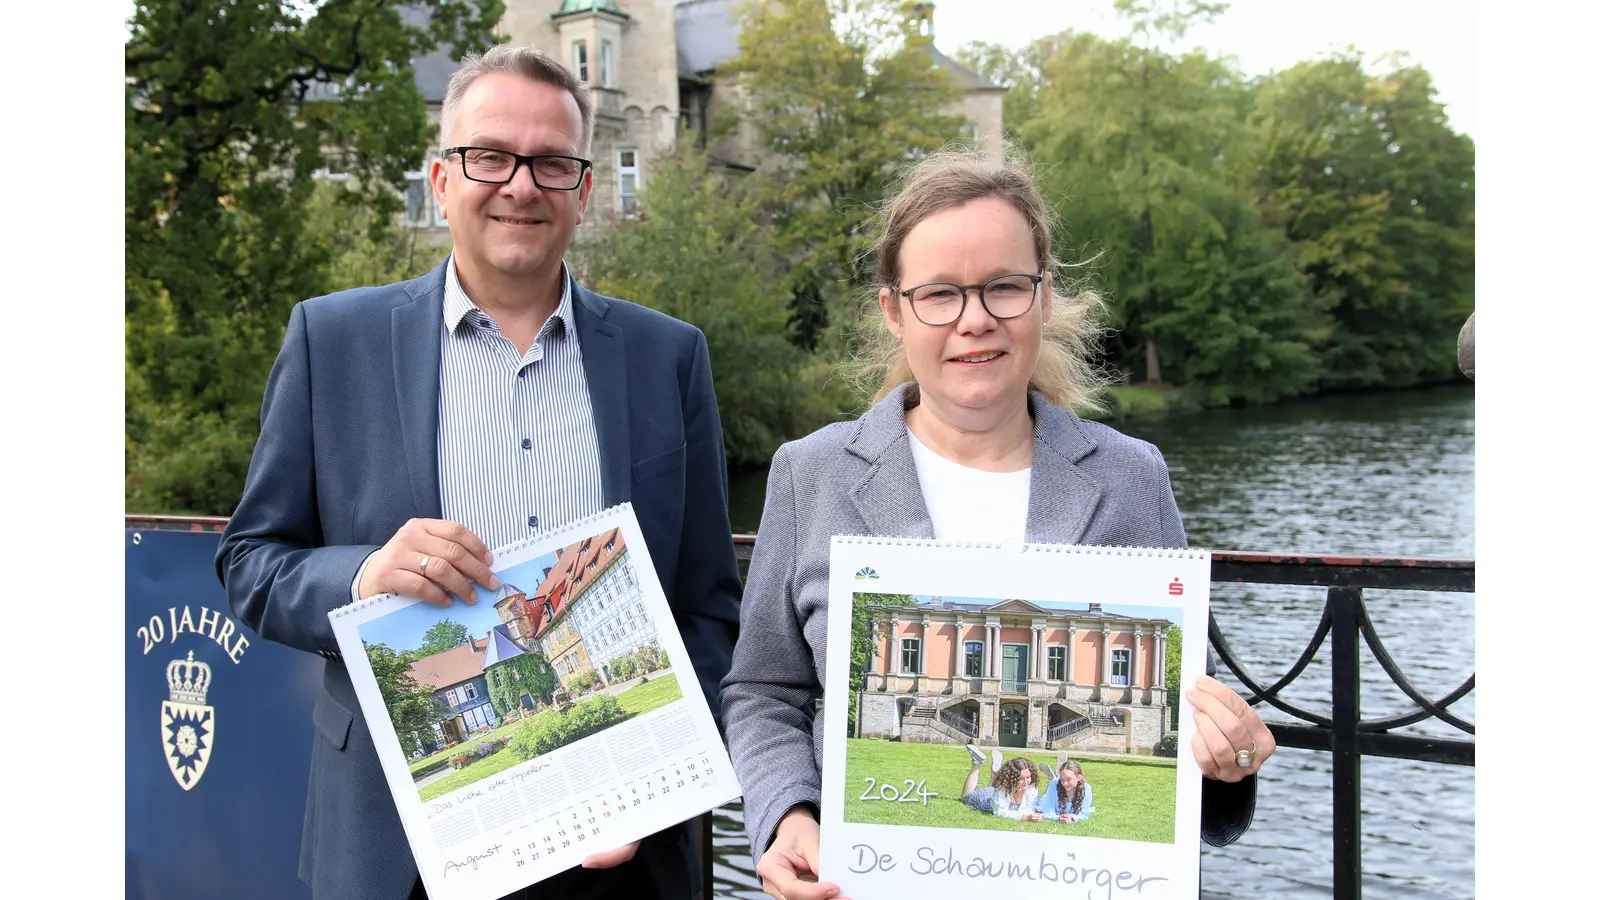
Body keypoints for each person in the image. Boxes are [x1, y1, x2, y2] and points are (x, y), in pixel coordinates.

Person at [215, 43, 742, 900]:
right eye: (490, 156)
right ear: (442, 179)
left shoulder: (667, 357)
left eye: (550, 163)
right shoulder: (331, 342)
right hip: (401, 851)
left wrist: (669, 767)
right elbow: (250, 563)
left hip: (622, 849)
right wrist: (364, 574)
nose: (521, 185)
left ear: (583, 186)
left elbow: (712, 608)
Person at [719, 144, 1277, 900]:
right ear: (895, 311)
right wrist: (788, 814)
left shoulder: (1130, 477)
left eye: (1004, 288)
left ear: (1044, 299)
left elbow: (1190, 713)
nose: (974, 320)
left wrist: (1229, 755)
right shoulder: (809, 473)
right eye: (940, 294)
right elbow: (763, 691)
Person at [958, 746, 1042, 821]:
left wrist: (1029, 815)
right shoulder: (1003, 790)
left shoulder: (1032, 788)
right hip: (984, 797)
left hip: (994, 792)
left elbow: (1030, 808)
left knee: (995, 788)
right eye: (1021, 779)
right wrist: (1025, 817)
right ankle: (977, 762)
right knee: (965, 797)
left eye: (1028, 777)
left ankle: (995, 771)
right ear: (1012, 778)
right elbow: (1000, 812)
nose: (1026, 782)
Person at [1036, 757, 1094, 824]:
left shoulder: (1086, 788)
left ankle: (1056, 775)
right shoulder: (1053, 785)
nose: (1065, 783)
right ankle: (1055, 777)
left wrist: (1071, 818)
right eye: (1062, 779)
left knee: (1054, 783)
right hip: (1044, 801)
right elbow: (1048, 812)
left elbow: (1084, 815)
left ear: (1079, 777)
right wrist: (1058, 818)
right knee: (1052, 785)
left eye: (1069, 779)